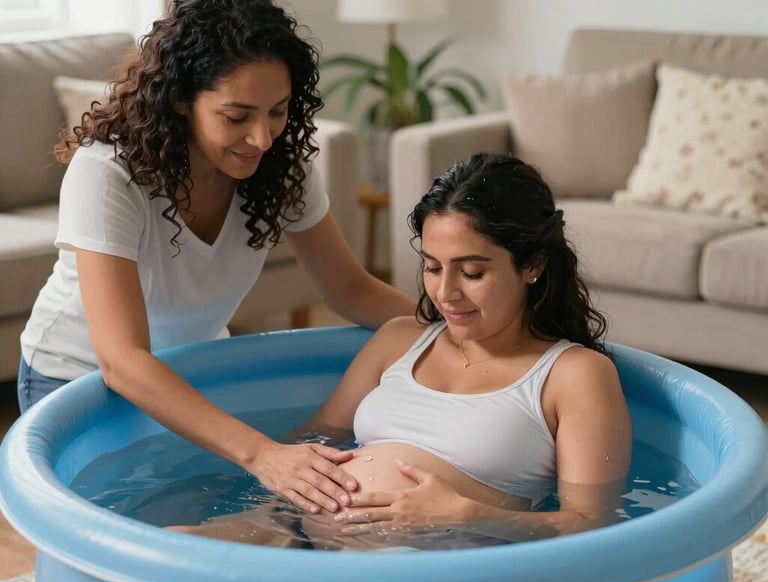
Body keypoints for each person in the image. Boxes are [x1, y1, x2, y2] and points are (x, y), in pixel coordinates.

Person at [16, 0, 415, 514]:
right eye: (236, 116)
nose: (262, 137)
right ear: (181, 100)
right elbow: (123, 360)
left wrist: (465, 328)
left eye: (278, 111)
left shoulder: (280, 167)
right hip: (78, 375)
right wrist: (265, 453)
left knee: (211, 517)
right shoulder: (108, 174)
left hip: (191, 364)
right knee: (130, 524)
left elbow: (351, 290)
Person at [171, 152, 633, 551]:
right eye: (432, 267)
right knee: (176, 546)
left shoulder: (574, 374)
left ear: (532, 265)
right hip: (295, 532)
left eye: (472, 272)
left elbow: (592, 526)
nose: (445, 293)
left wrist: (467, 515)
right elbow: (314, 439)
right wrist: (251, 492)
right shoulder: (399, 340)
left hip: (439, 570)